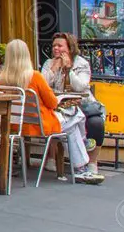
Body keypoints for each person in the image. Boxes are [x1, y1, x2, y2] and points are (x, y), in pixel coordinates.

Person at [0, 39, 103, 185]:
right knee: (74, 116)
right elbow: (52, 103)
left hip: (14, 125)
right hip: (39, 125)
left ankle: (81, 167)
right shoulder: (34, 76)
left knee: (73, 119)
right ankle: (81, 167)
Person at [40, 32, 104, 178]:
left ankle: (92, 163)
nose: (56, 49)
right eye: (54, 45)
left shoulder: (81, 63)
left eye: (60, 46)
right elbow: (42, 84)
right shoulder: (49, 63)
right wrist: (53, 70)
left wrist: (69, 70)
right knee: (63, 119)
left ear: (70, 48)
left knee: (96, 123)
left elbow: (81, 86)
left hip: (82, 104)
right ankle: (77, 161)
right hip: (59, 105)